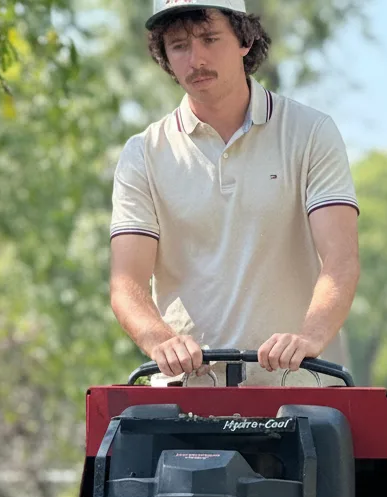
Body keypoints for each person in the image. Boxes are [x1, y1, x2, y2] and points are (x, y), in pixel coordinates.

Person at [109, 0, 360, 386]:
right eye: (179, 45)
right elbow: (126, 284)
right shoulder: (142, 153)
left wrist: (310, 338)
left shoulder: (310, 133)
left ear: (245, 39)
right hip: (186, 395)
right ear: (165, 57)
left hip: (297, 389)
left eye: (210, 39)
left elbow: (341, 261)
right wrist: (161, 341)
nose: (196, 59)